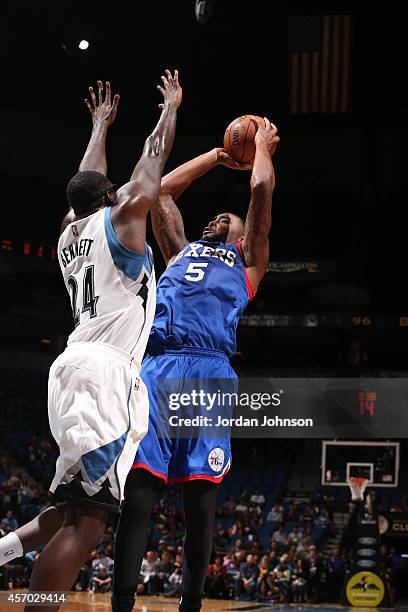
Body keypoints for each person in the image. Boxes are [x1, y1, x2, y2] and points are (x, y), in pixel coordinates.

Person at [0, 71, 182, 612]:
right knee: (87, 529)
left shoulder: (66, 233)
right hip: (104, 372)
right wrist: (169, 109)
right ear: (111, 198)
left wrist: (100, 126)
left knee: (69, 509)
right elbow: (149, 169)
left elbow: (84, 181)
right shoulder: (123, 220)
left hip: (72, 366)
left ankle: (4, 551)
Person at [112, 117, 279, 612]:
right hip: (158, 368)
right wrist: (214, 157)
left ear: (242, 234)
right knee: (139, 491)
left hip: (209, 373)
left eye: (224, 219)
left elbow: (261, 189)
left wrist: (262, 148)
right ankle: (122, 603)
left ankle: (191, 605)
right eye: (212, 218)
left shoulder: (248, 261)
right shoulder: (179, 253)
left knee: (200, 503)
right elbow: (159, 194)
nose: (214, 221)